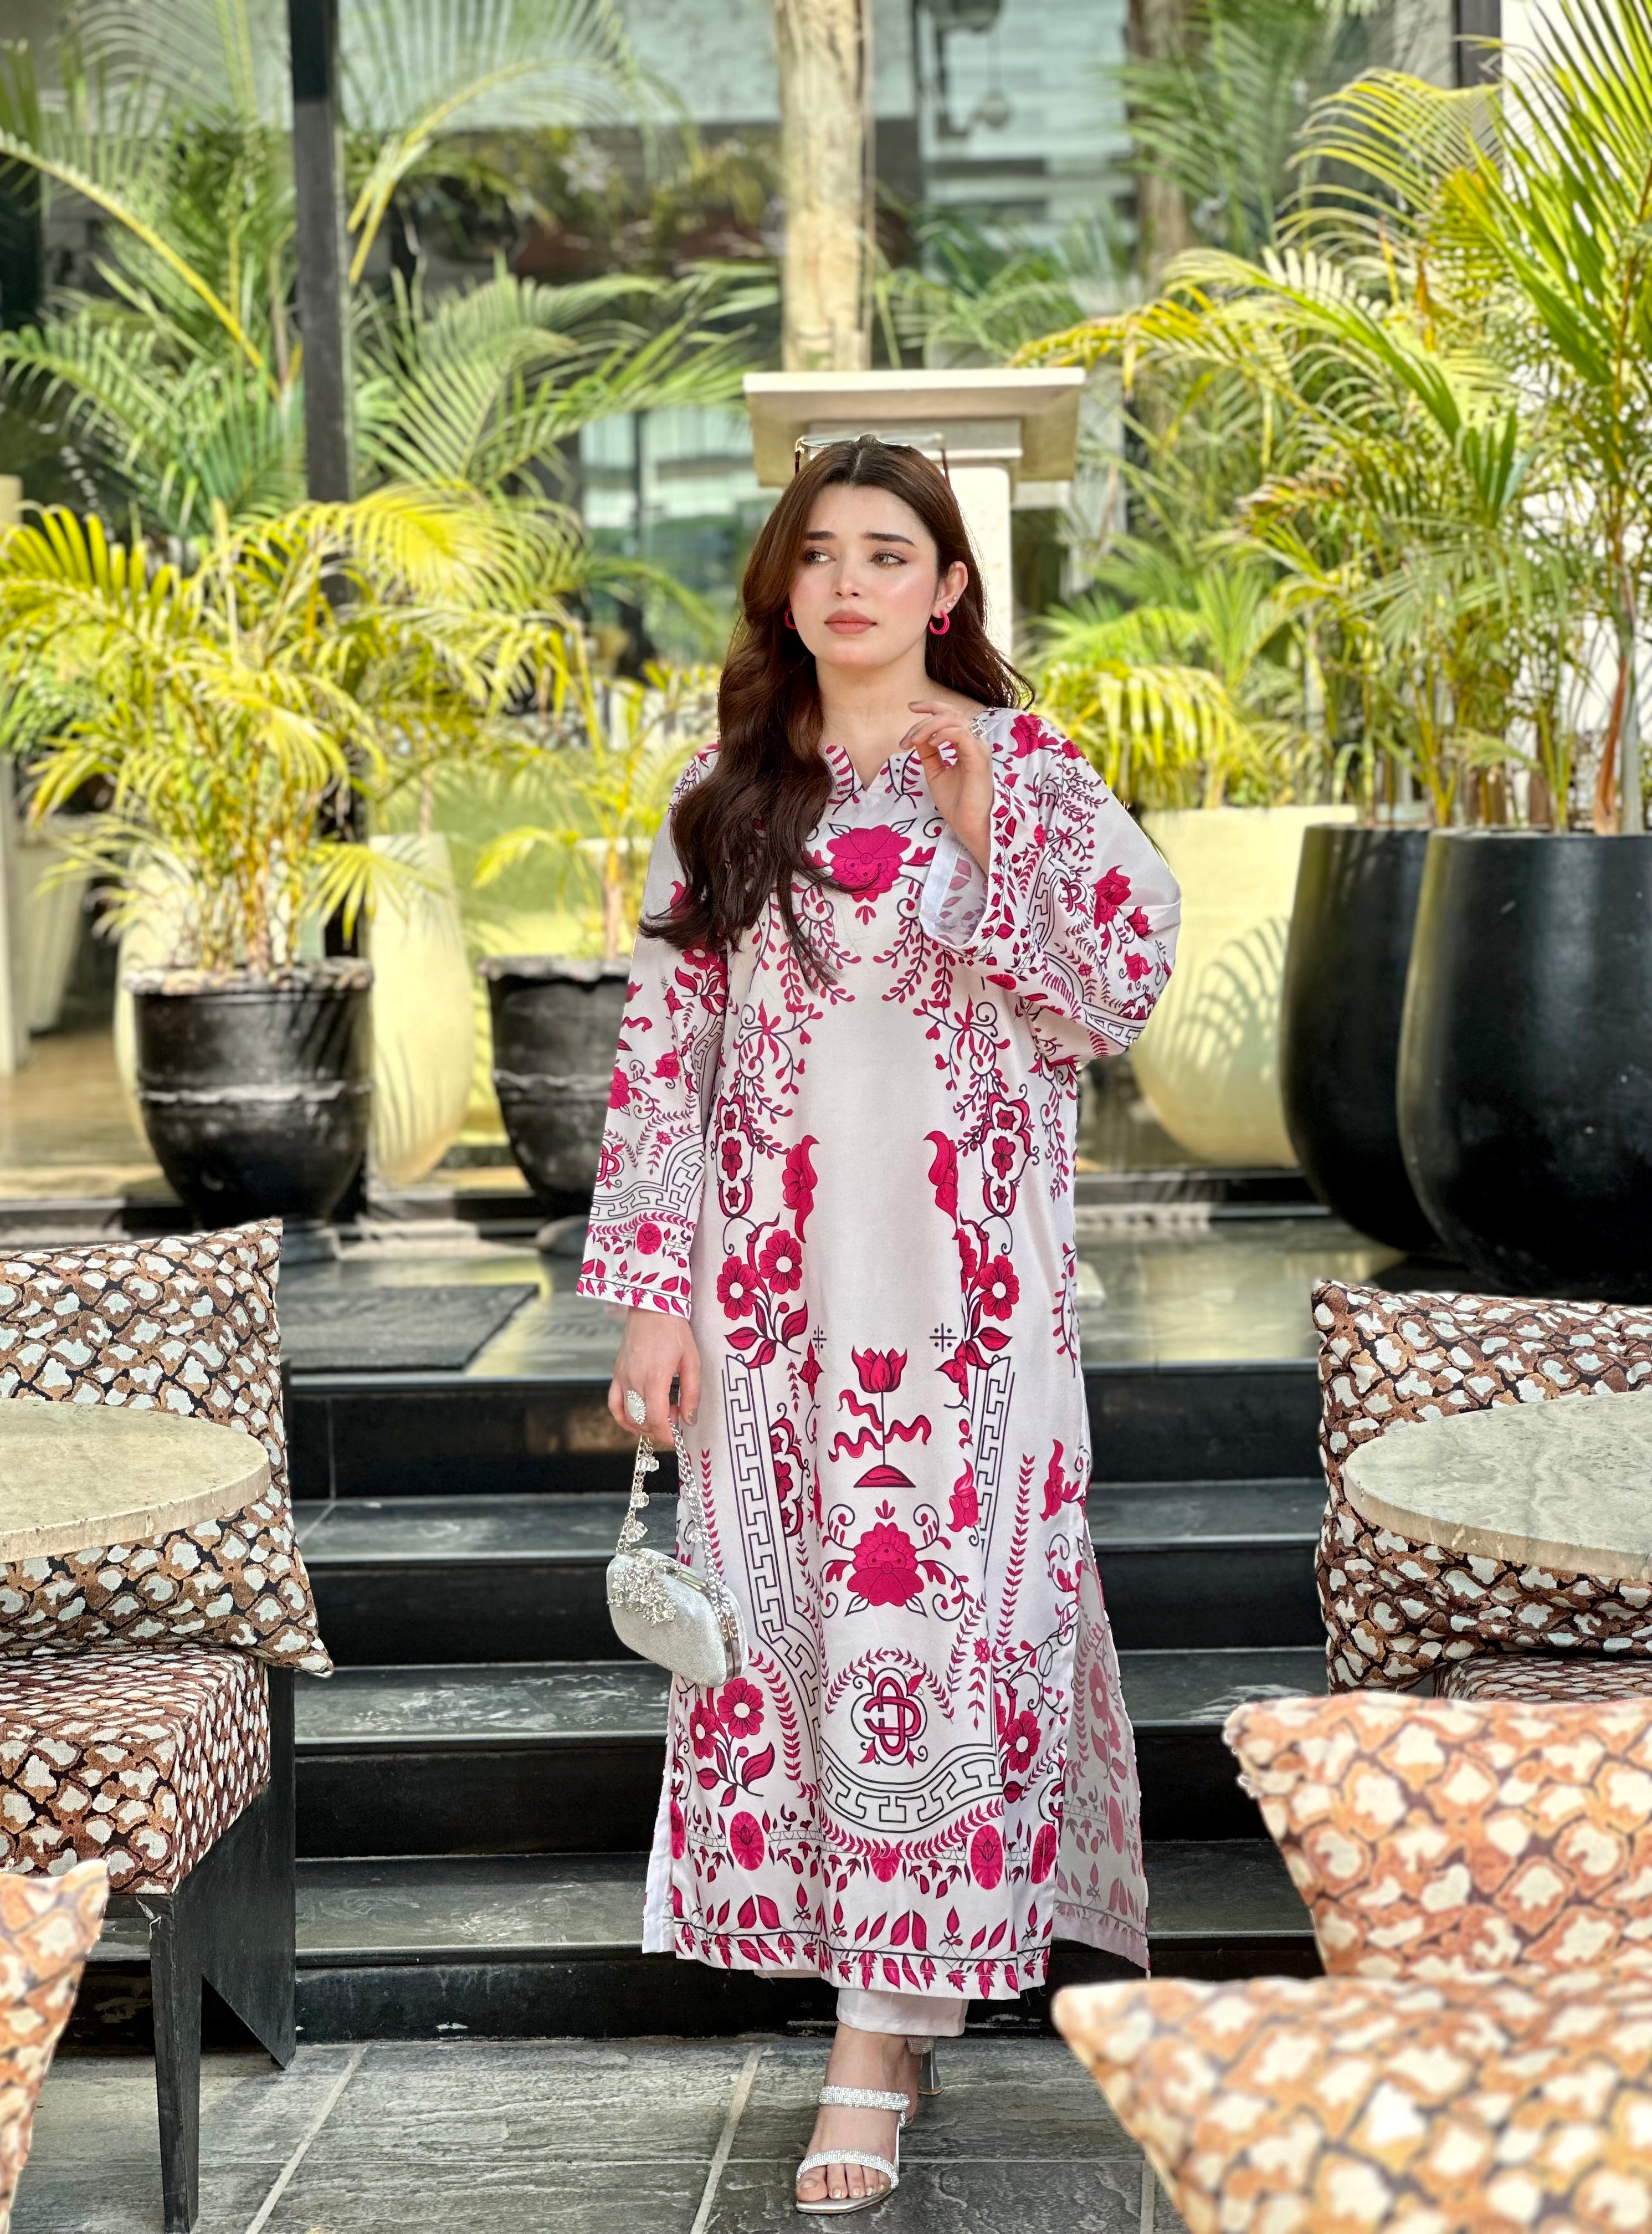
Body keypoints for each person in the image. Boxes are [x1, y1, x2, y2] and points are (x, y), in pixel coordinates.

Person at [578, 433, 1181, 2215]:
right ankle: (887, 2015)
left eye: (889, 553)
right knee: (792, 1633)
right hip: (767, 1301)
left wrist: (984, 831)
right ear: (787, 586)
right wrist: (649, 1300)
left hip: (967, 1304)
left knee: (948, 1632)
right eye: (823, 552)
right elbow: (662, 1064)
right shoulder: (725, 792)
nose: (852, 581)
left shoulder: (1035, 769)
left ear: (949, 587)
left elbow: (1113, 997)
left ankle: (873, 2043)